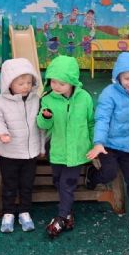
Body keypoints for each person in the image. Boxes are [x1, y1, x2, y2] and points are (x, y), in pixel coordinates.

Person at [86, 52, 129, 234]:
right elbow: (102, 119)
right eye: (127, 78)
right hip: (110, 145)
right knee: (109, 173)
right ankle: (93, 176)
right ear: (118, 76)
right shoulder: (109, 94)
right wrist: (99, 142)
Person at [37, 55, 94, 238]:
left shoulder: (84, 98)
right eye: (53, 81)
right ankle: (69, 214)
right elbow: (43, 125)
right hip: (58, 151)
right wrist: (45, 117)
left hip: (77, 151)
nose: (56, 86)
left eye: (61, 83)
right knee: (57, 182)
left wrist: (94, 145)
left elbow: (91, 122)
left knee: (67, 185)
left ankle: (61, 217)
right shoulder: (48, 99)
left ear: (72, 82)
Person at [0, 58, 45, 233]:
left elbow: (41, 126)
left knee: (27, 185)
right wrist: (1, 133)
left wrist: (42, 148)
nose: (26, 86)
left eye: (29, 82)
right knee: (9, 185)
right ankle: (8, 213)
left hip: (30, 153)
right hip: (10, 153)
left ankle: (25, 212)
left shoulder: (36, 99)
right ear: (9, 83)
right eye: (21, 83)